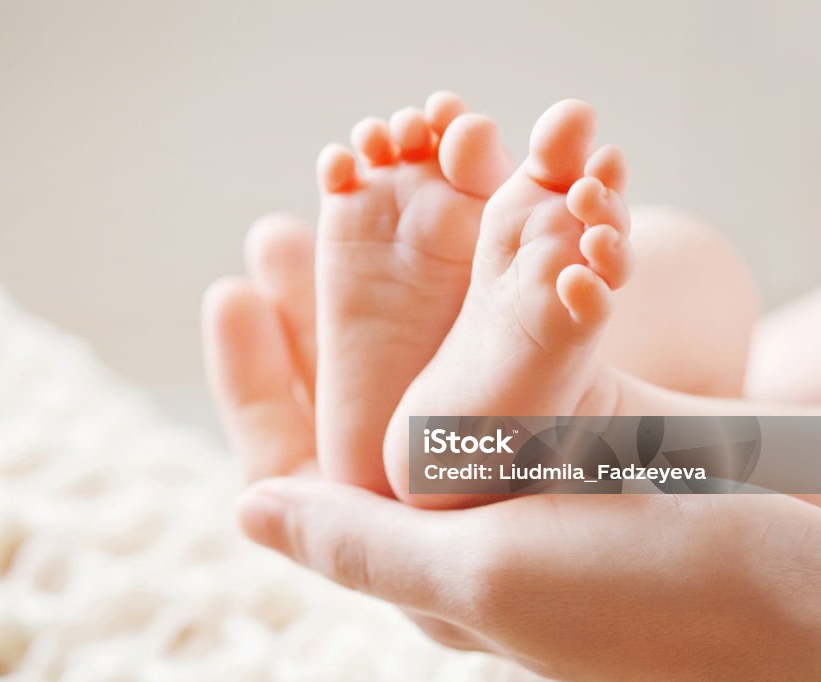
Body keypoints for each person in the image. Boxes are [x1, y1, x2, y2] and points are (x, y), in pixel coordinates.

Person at [202, 93, 821, 678]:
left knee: (705, 286)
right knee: (701, 276)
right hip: (758, 446)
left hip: (759, 453)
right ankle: (515, 384)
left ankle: (554, 410)